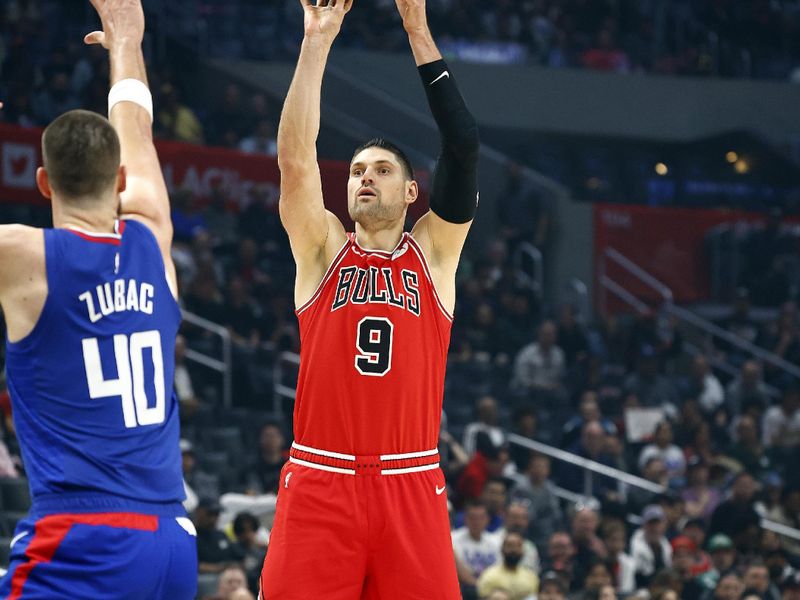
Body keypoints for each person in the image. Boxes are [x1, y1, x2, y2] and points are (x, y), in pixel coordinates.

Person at [259, 0, 480, 596]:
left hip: (410, 479)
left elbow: (462, 147)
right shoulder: (322, 248)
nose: (364, 177)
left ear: (412, 191)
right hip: (320, 475)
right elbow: (295, 165)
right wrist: (318, 39)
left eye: (381, 170)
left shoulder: (433, 253)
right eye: (357, 169)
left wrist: (417, 29)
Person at [0, 1, 197, 598]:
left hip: (83, 536)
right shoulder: (154, 240)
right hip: (172, 536)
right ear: (118, 181)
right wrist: (127, 41)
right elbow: (135, 130)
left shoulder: (22, 256)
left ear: (41, 184)